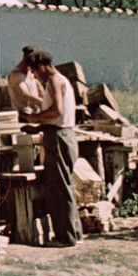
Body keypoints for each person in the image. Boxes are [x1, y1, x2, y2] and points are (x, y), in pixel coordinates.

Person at [22, 49, 82, 247]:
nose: (36, 76)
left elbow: (57, 110)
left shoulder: (55, 80)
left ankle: (65, 238)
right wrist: (38, 126)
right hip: (63, 135)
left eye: (35, 72)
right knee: (65, 186)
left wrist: (35, 117)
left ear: (41, 67)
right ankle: (74, 233)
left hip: (58, 138)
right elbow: (58, 116)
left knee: (59, 189)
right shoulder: (62, 80)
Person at [6, 45, 45, 118]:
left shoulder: (31, 72)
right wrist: (45, 103)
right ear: (26, 57)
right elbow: (25, 95)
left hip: (36, 112)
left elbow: (41, 91)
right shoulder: (16, 74)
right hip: (24, 115)